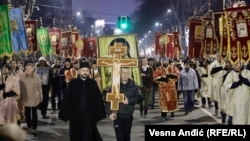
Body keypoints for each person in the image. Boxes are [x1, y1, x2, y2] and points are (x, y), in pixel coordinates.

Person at [58, 62, 106, 141]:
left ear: (89, 71)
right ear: (79, 71)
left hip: (89, 116)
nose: (85, 72)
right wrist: (64, 114)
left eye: (86, 70)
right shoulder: (73, 84)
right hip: (75, 116)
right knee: (76, 136)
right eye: (83, 70)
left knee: (88, 136)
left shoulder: (93, 83)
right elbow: (67, 99)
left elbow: (98, 99)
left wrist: (98, 114)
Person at [106, 67, 142, 141]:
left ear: (129, 74)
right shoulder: (114, 86)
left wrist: (129, 101)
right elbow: (108, 101)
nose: (125, 75)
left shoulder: (133, 85)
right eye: (123, 72)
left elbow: (139, 98)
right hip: (117, 115)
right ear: (120, 73)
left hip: (128, 115)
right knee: (120, 138)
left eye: (127, 73)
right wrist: (109, 113)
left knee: (126, 137)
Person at [19, 63, 43, 136]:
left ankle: (34, 128)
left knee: (34, 113)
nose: (28, 69)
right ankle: (29, 127)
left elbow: (40, 88)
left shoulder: (37, 76)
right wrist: (20, 98)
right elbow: (20, 88)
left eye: (29, 68)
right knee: (27, 114)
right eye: (27, 68)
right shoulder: (22, 76)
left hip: (34, 97)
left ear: (33, 69)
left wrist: (41, 97)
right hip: (25, 97)